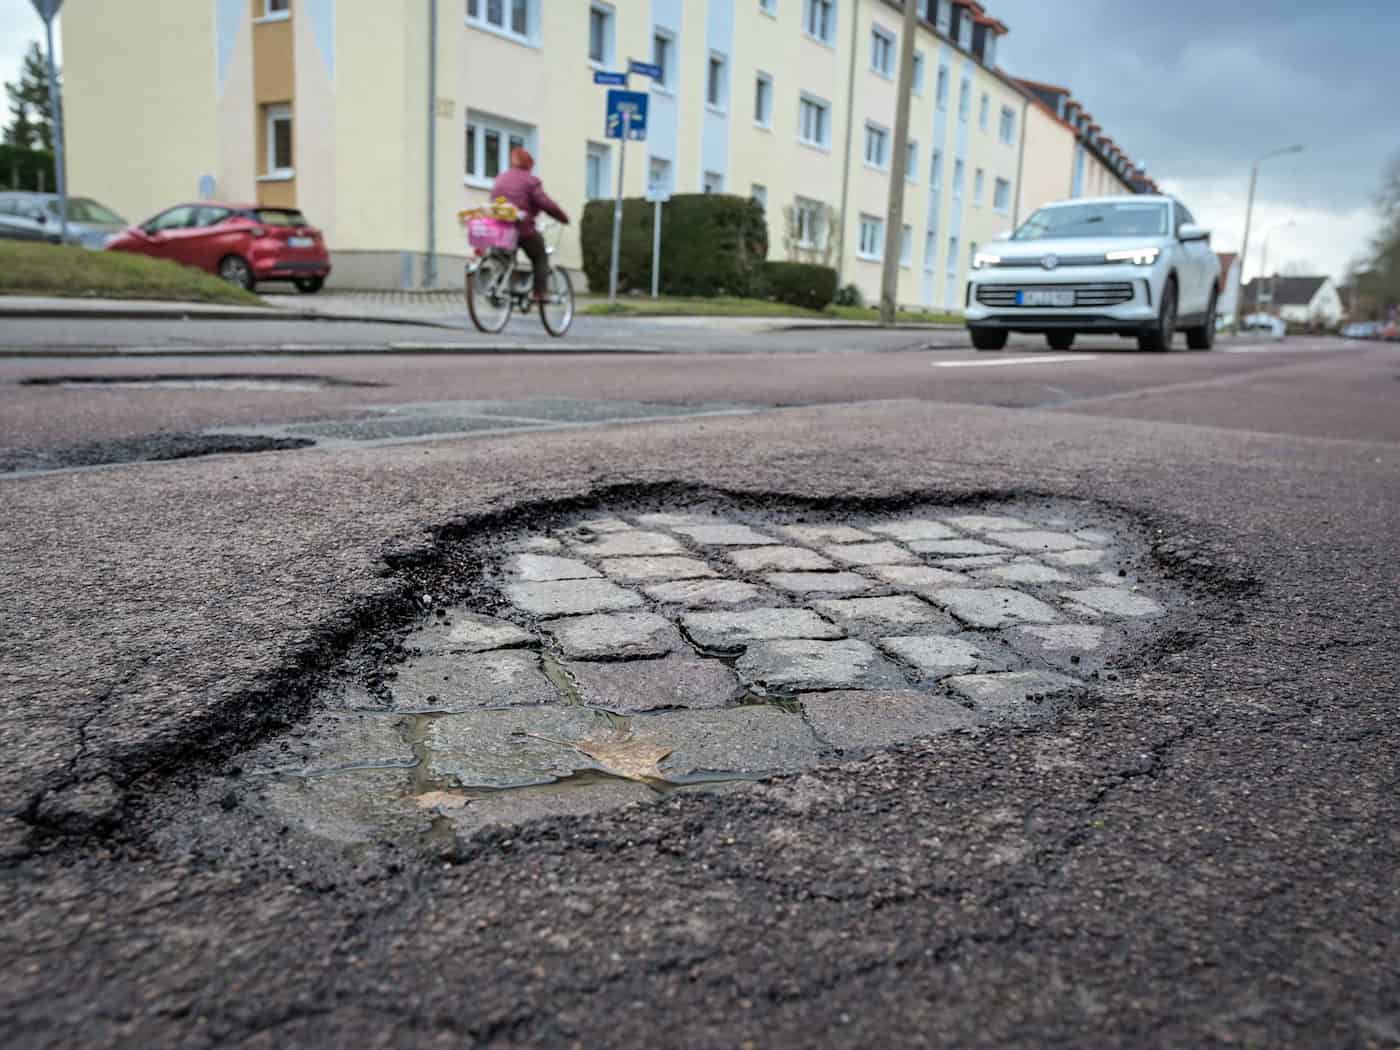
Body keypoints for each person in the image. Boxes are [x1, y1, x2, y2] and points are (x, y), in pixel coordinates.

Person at [490, 147, 570, 301]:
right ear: (529, 165)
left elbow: (494, 201)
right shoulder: (530, 181)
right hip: (521, 228)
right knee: (539, 254)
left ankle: (501, 291)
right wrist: (562, 217)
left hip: (500, 228)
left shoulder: (500, 178)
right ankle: (540, 293)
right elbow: (545, 203)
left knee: (505, 259)